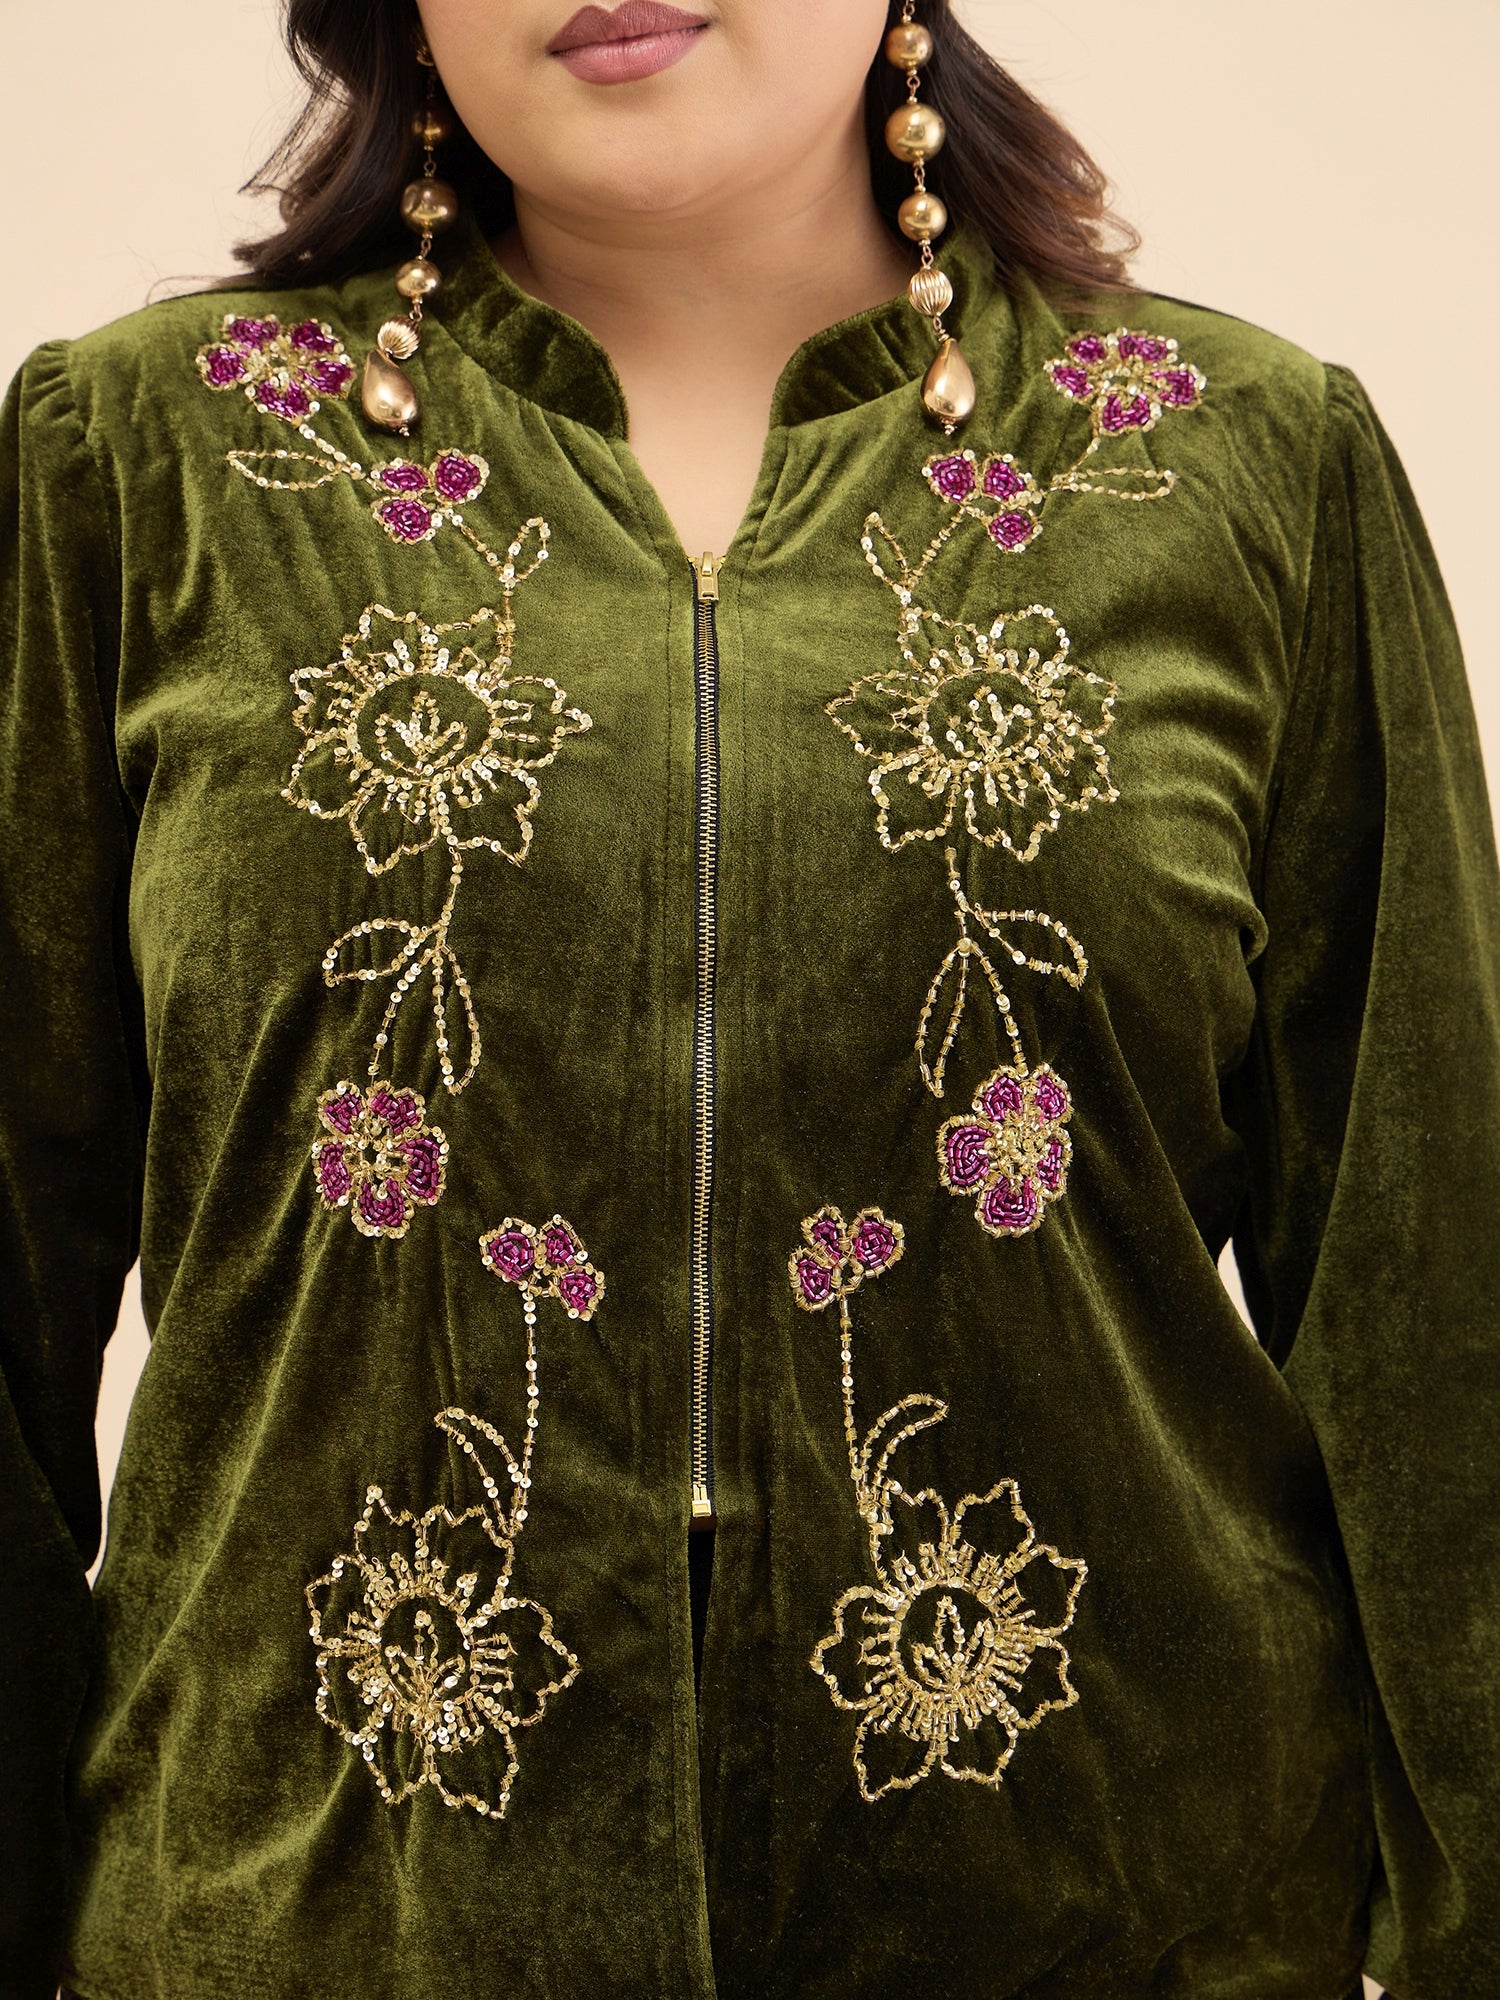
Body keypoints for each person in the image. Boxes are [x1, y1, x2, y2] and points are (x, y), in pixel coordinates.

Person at [2, 1, 1494, 1994]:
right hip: (321, 1918)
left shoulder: (1245, 461)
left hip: (1118, 1914)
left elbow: (1433, 1294)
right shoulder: (146, 461)